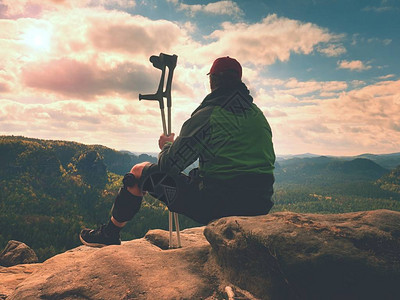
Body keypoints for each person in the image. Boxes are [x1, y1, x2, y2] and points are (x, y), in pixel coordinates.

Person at [80, 56, 276, 247]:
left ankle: (110, 234)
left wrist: (166, 145)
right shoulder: (257, 114)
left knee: (138, 172)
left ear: (212, 81)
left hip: (217, 205)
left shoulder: (210, 114)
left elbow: (168, 166)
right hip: (259, 204)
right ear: (238, 82)